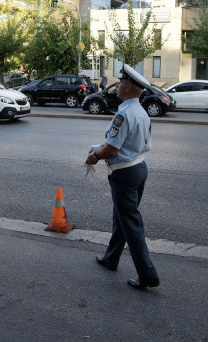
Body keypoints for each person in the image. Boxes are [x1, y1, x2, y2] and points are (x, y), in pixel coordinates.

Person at [85, 63, 160, 290]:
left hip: (124, 173)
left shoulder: (123, 115)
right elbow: (132, 144)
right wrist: (101, 147)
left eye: (120, 83)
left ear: (128, 88)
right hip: (138, 168)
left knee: (131, 223)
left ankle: (147, 274)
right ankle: (111, 258)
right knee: (122, 217)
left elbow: (112, 150)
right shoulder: (141, 112)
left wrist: (94, 157)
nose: (116, 87)